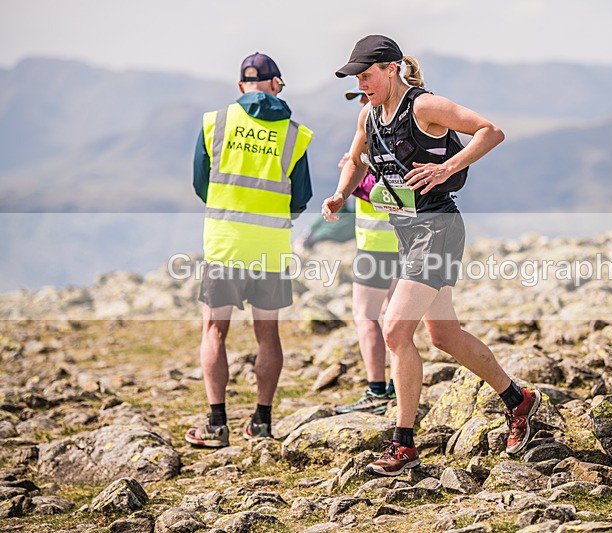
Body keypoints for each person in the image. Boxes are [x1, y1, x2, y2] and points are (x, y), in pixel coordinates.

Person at [322, 35, 541, 475]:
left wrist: (447, 167)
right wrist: (341, 193)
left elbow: (491, 131)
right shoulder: (369, 114)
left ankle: (403, 443)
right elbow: (357, 159)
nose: (361, 85)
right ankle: (519, 399)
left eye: (366, 76)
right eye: (356, 78)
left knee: (394, 329)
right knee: (444, 336)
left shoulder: (424, 106)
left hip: (438, 228)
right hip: (408, 232)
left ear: (391, 69)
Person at [186, 52, 313, 448]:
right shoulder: (294, 134)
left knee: (214, 330)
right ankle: (261, 421)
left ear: (241, 86)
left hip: (224, 244)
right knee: (267, 334)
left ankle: (216, 424)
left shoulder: (215, 122)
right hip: (270, 246)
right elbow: (301, 197)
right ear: (276, 84)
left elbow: (201, 183)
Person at [334, 87, 401, 415]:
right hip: (403, 242)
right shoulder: (404, 128)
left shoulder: (380, 134)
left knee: (366, 316)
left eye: (365, 93)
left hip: (377, 244)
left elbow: (388, 190)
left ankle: (377, 390)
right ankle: (397, 387)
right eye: (358, 96)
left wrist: (352, 178)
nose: (362, 101)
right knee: (395, 318)